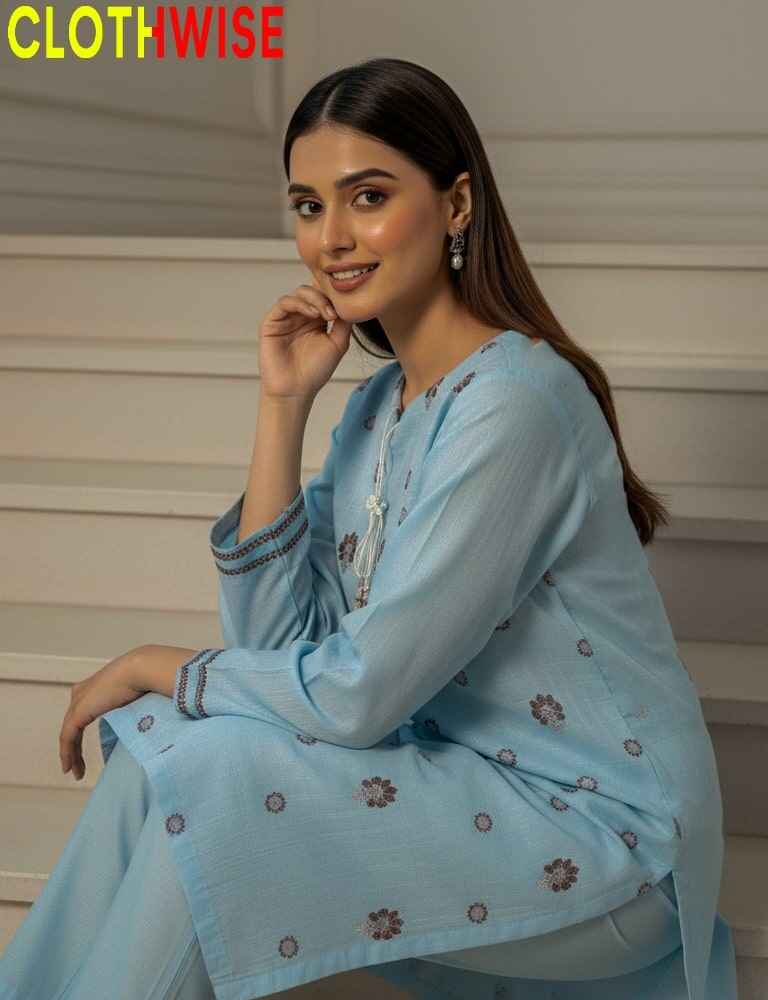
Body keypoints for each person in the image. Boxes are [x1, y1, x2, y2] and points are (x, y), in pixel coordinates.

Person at [0, 57, 738, 1000]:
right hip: (459, 785)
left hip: (605, 839)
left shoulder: (516, 402)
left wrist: (159, 662)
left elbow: (358, 697)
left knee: (214, 770)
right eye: (308, 206)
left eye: (369, 196)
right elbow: (273, 652)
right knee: (174, 747)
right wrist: (283, 406)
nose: (332, 238)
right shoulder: (380, 406)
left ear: (457, 203)